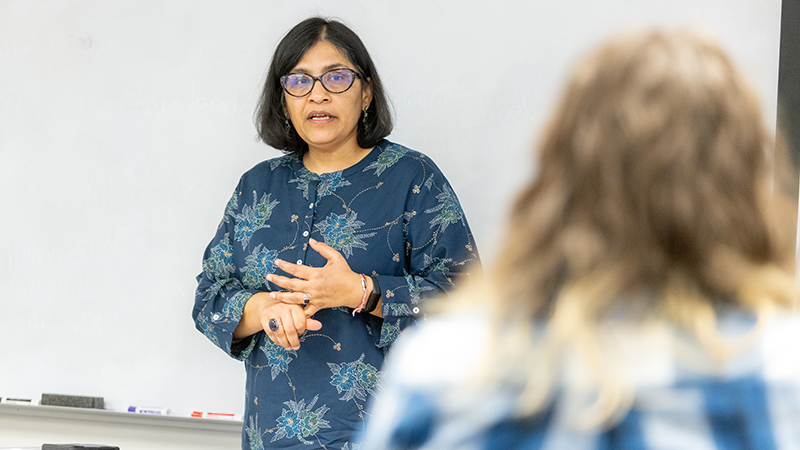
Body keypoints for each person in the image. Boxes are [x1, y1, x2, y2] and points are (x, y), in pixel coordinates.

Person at [361, 29, 800, 449]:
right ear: (745, 181)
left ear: (557, 172)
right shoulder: (782, 372)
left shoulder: (443, 369)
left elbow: (454, 286)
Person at [192, 17, 479, 450]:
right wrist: (261, 308)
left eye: (337, 77)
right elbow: (208, 296)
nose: (318, 94)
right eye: (299, 81)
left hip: (387, 435)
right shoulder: (258, 186)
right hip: (270, 437)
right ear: (282, 99)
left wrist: (363, 291)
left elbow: (471, 300)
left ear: (366, 93)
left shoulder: (411, 177)